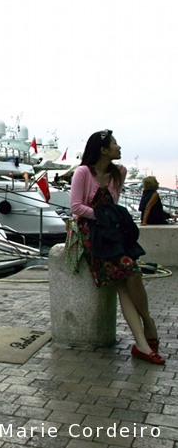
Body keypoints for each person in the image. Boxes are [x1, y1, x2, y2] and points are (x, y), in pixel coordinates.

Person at [69, 129, 164, 365]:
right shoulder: (83, 172)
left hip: (110, 233)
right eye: (114, 143)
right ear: (103, 150)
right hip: (92, 233)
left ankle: (142, 343)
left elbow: (115, 201)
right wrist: (101, 216)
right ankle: (148, 326)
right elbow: (76, 208)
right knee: (130, 269)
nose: (119, 147)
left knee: (125, 281)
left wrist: (108, 220)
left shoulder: (119, 172)